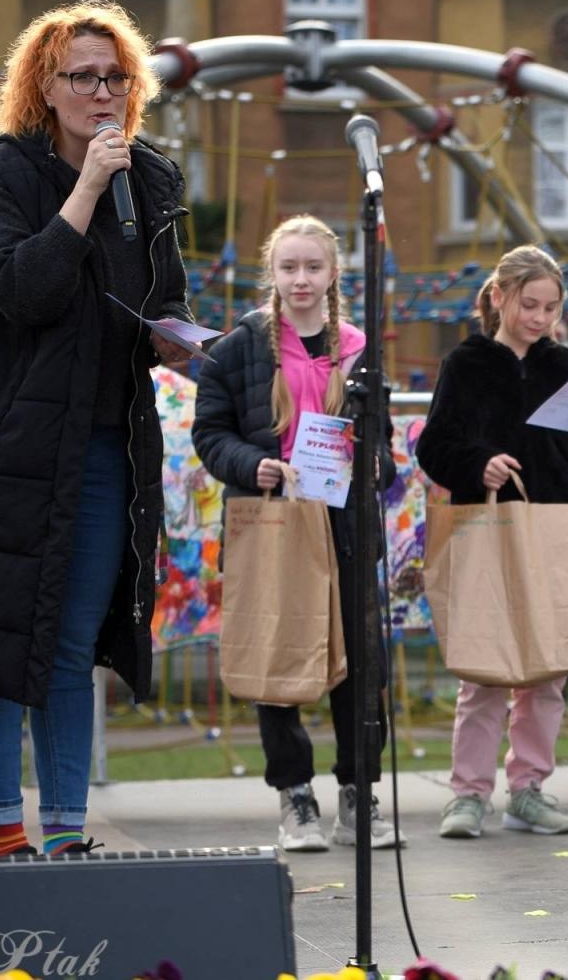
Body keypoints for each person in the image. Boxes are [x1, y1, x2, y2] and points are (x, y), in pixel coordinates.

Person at [0, 0, 194, 856]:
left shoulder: (151, 178)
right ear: (45, 84)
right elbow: (20, 291)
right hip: (3, 448)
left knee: (71, 642)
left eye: (116, 77)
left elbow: (165, 299)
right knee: (0, 639)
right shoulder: (1, 179)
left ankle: (67, 836)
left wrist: (176, 340)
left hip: (106, 444)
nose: (102, 93)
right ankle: (6, 837)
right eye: (83, 77)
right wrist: (85, 190)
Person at [192, 214, 403, 851]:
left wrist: (375, 463)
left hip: (343, 524)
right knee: (276, 654)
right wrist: (248, 464)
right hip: (272, 523)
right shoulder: (239, 348)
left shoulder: (360, 349)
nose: (301, 279)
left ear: (334, 273)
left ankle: (356, 793)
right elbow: (210, 434)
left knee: (362, 665)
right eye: (289, 268)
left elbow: (383, 445)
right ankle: (295, 797)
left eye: (313, 267)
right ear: (273, 273)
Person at [415, 246, 568, 838]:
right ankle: (468, 794)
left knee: (547, 668)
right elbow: (435, 447)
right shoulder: (465, 364)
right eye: (529, 304)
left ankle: (529, 787)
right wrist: (479, 465)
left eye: (551, 307)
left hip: (555, 526)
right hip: (486, 527)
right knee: (483, 667)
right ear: (499, 297)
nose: (539, 318)